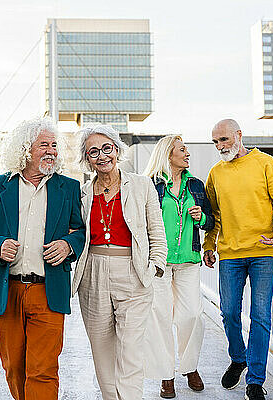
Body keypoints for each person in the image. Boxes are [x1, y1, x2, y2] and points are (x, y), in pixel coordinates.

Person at [0, 116, 86, 400]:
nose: (51, 151)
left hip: (49, 291)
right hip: (7, 290)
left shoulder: (68, 188)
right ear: (25, 149)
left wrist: (68, 245)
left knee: (43, 369)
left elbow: (80, 232)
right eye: (43, 145)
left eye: (54, 145)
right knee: (14, 368)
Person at [71, 124, 167, 400]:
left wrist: (155, 266)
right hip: (93, 272)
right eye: (93, 152)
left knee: (130, 350)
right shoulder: (82, 193)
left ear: (117, 150)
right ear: (86, 159)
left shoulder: (141, 185)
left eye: (106, 148)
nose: (101, 156)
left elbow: (156, 231)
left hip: (134, 271)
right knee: (102, 350)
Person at [203, 119, 273, 400]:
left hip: (264, 250)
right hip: (230, 252)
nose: (220, 147)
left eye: (224, 140)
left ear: (239, 136)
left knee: (260, 315)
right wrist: (208, 244)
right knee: (229, 312)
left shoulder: (265, 163)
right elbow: (213, 216)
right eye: (216, 142)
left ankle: (255, 380)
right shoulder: (216, 173)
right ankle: (238, 357)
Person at [143, 135, 215, 399]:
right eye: (182, 150)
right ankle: (166, 375)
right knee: (159, 316)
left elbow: (210, 222)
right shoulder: (150, 184)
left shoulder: (195, 185)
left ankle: (189, 366)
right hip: (159, 261)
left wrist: (201, 216)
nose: (187, 154)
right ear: (168, 154)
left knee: (192, 315)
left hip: (188, 260)